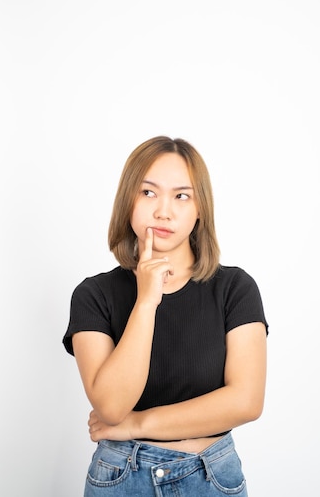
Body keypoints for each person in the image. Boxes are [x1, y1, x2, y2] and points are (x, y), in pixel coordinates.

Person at [62, 135, 268, 496]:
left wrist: (138, 423)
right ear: (128, 200)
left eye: (181, 195)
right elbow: (111, 405)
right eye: (148, 193)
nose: (163, 211)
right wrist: (145, 301)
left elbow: (245, 401)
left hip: (211, 477)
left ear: (200, 208)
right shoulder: (94, 295)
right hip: (121, 478)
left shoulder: (235, 288)